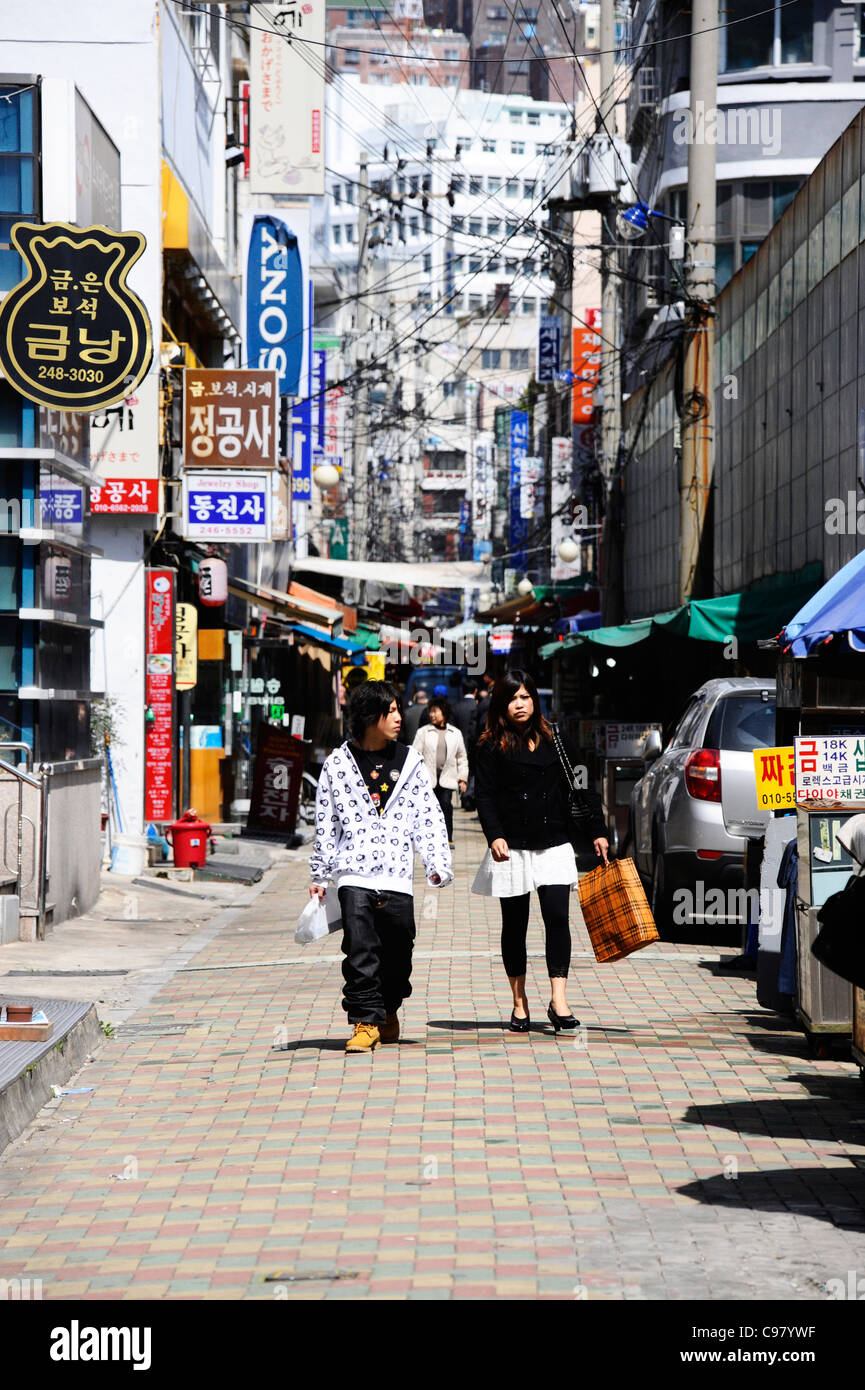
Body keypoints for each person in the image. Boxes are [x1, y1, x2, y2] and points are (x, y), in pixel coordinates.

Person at [309, 681, 452, 1053]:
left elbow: (428, 816)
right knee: (359, 951)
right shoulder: (337, 765)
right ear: (370, 716)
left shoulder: (409, 762)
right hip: (353, 875)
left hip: (397, 876)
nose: (398, 717)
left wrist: (436, 861)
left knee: (399, 952)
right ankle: (363, 1022)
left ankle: (388, 1009)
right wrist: (321, 874)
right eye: (390, 711)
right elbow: (326, 822)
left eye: (398, 709)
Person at [471, 669, 609, 1034]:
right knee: (514, 926)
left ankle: (558, 1000)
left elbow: (581, 783)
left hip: (554, 844)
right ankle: (519, 1003)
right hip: (511, 848)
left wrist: (597, 830)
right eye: (513, 698)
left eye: (526, 697)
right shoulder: (489, 744)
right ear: (501, 703)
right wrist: (494, 835)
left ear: (535, 700)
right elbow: (484, 795)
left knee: (557, 919)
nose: (520, 704)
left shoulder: (556, 739)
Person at [412, 697, 469, 847]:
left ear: (444, 713)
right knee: (428, 810)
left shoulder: (455, 733)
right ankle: (429, 839)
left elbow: (462, 757)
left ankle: (447, 838)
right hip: (427, 779)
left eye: (435, 711)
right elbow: (415, 756)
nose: (432, 715)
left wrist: (463, 778)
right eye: (431, 711)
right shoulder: (423, 732)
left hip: (448, 778)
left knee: (446, 806)